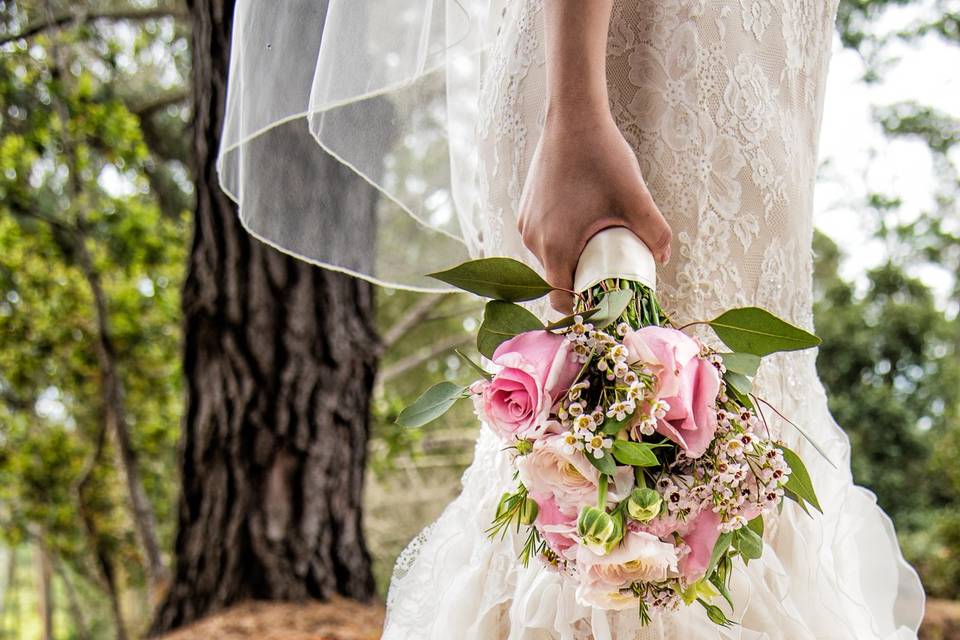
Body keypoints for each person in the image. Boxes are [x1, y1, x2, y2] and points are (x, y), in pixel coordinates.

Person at [219, 1, 925, 637]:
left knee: (745, 439)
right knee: (621, 469)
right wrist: (576, 111)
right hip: (629, 73)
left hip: (758, 69)